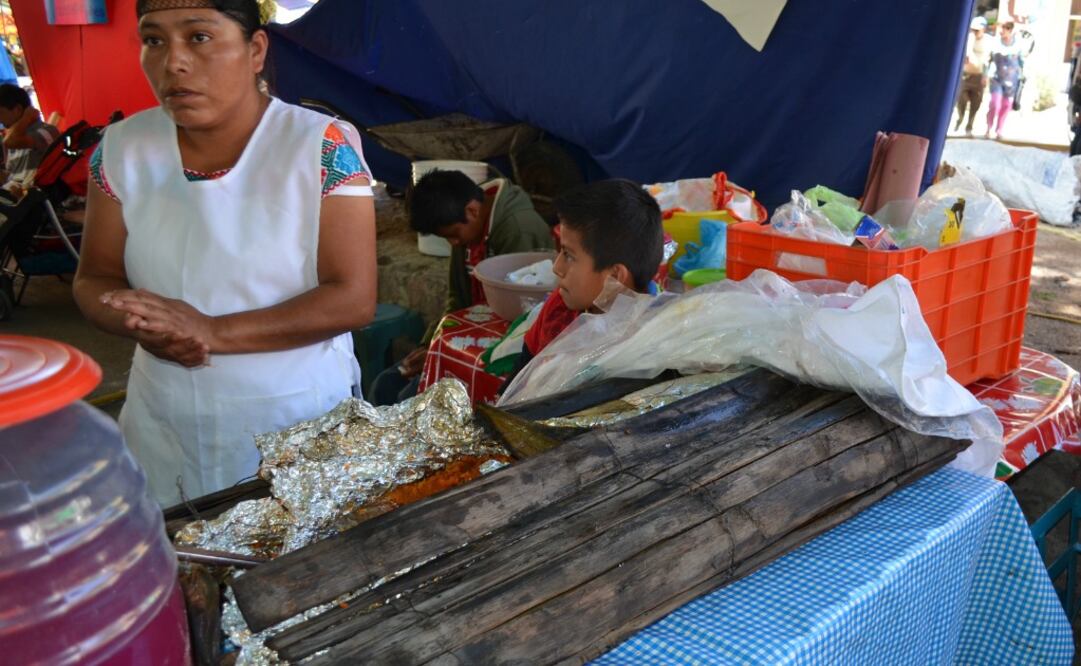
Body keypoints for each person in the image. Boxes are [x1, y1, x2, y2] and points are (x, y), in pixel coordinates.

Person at [73, 0, 377, 506]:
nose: (174, 62)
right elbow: (94, 278)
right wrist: (137, 321)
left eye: (199, 37)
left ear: (255, 49)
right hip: (163, 416)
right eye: (153, 40)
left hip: (292, 421)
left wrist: (211, 332)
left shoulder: (319, 145)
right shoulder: (123, 148)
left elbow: (352, 298)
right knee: (181, 556)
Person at [369, 168, 553, 405]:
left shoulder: (519, 230)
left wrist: (445, 353)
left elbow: (524, 319)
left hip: (502, 352)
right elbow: (457, 298)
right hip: (467, 340)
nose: (454, 243)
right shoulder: (466, 227)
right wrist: (431, 344)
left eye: (453, 235)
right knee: (386, 383)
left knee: (407, 399)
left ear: (472, 210)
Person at [502, 179, 664, 387]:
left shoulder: (649, 340)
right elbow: (519, 379)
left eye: (569, 255)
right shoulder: (559, 309)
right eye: (560, 251)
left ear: (614, 276)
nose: (557, 268)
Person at [0, 83, 60, 197]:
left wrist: (26, 117)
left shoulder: (46, 131)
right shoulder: (12, 136)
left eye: (1, 112)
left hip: (35, 201)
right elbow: (11, 177)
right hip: (13, 198)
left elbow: (10, 142)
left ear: (18, 109)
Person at [985, 21, 1023, 140]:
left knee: (1006, 105)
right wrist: (985, 74)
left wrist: (1022, 76)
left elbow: (1022, 62)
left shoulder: (1018, 45)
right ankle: (989, 127)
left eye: (1005, 29)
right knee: (995, 103)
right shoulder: (996, 43)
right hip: (997, 78)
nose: (1002, 32)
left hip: (1011, 80)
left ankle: (999, 129)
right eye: (1002, 29)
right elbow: (989, 60)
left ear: (1011, 31)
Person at [954, 17, 989, 137]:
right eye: (973, 29)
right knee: (961, 99)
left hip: (978, 76)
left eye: (977, 30)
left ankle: (969, 125)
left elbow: (988, 60)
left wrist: (986, 76)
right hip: (966, 75)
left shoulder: (988, 41)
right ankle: (960, 119)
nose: (974, 32)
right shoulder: (968, 39)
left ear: (983, 29)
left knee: (976, 102)